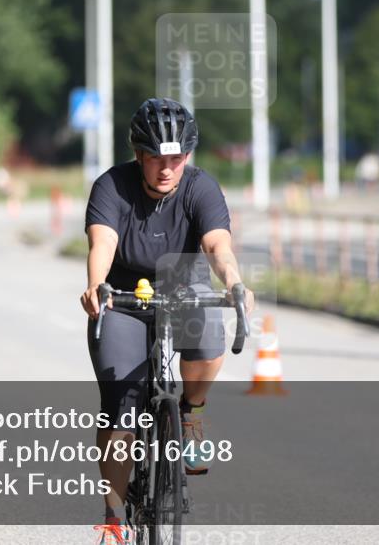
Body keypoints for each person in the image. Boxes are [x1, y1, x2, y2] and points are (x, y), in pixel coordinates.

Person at [80, 98, 254, 544]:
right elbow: (102, 243)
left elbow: (217, 245)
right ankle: (114, 516)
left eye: (176, 158)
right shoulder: (111, 187)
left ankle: (190, 412)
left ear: (188, 157)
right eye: (156, 157)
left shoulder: (202, 188)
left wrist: (234, 283)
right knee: (120, 405)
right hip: (122, 290)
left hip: (182, 278)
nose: (166, 168)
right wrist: (96, 286)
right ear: (139, 154)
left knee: (210, 333)